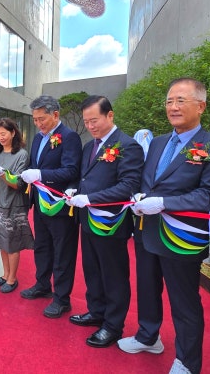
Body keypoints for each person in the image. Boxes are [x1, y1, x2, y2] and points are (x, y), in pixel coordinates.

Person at [120, 78, 210, 374]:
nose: (173, 107)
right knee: (147, 288)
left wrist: (164, 202)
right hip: (147, 229)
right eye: (169, 101)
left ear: (201, 106)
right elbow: (148, 181)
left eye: (181, 100)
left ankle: (187, 361)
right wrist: (140, 196)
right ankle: (148, 336)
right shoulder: (158, 142)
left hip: (182, 236)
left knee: (184, 301)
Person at [66, 96, 143, 348]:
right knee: (92, 269)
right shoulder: (90, 146)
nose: (90, 126)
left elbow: (128, 186)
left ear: (110, 115)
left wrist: (91, 198)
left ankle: (113, 325)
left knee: (113, 274)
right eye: (86, 121)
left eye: (94, 120)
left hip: (111, 222)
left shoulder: (128, 146)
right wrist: (74, 190)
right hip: (87, 219)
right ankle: (96, 311)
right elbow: (83, 178)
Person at [19, 95, 82, 319]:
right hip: (40, 203)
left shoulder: (69, 137)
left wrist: (41, 174)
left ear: (55, 114)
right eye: (35, 119)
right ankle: (42, 284)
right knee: (42, 247)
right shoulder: (38, 138)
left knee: (62, 252)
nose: (38, 124)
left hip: (60, 205)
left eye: (42, 119)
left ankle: (62, 298)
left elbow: (71, 170)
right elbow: (34, 165)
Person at [0, 118, 33, 293]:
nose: (0, 137)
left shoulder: (22, 154)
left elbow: (18, 184)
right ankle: (5, 274)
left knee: (12, 242)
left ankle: (12, 278)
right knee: (1, 239)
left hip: (14, 203)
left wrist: (3, 174)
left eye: (3, 134)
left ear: (13, 133)